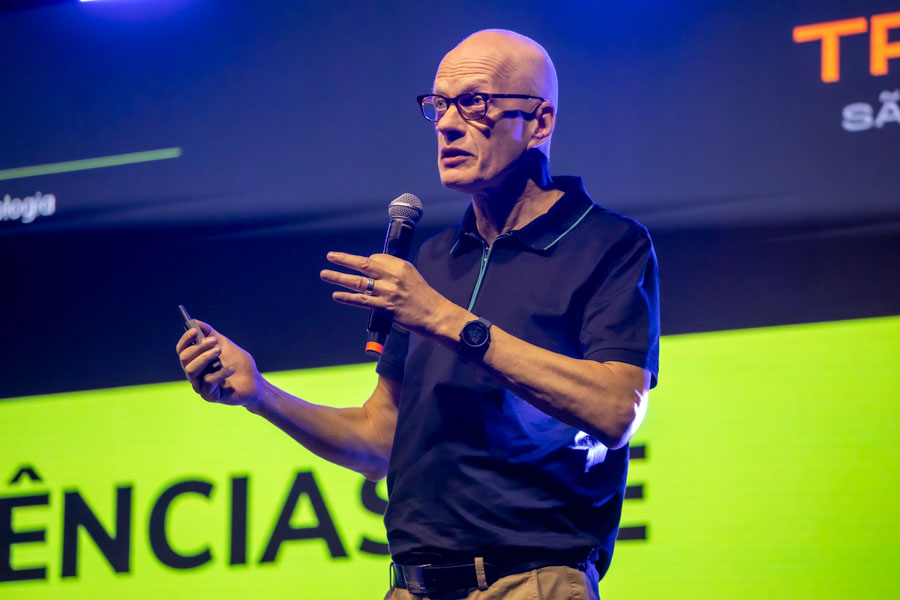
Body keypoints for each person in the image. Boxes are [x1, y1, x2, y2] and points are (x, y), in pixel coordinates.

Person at [176, 29, 659, 600]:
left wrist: (444, 318)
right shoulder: (429, 261)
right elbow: (381, 439)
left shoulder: (608, 243)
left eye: (474, 102)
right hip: (411, 587)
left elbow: (615, 408)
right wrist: (260, 393)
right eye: (438, 105)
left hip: (530, 580)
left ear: (540, 122)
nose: (447, 124)